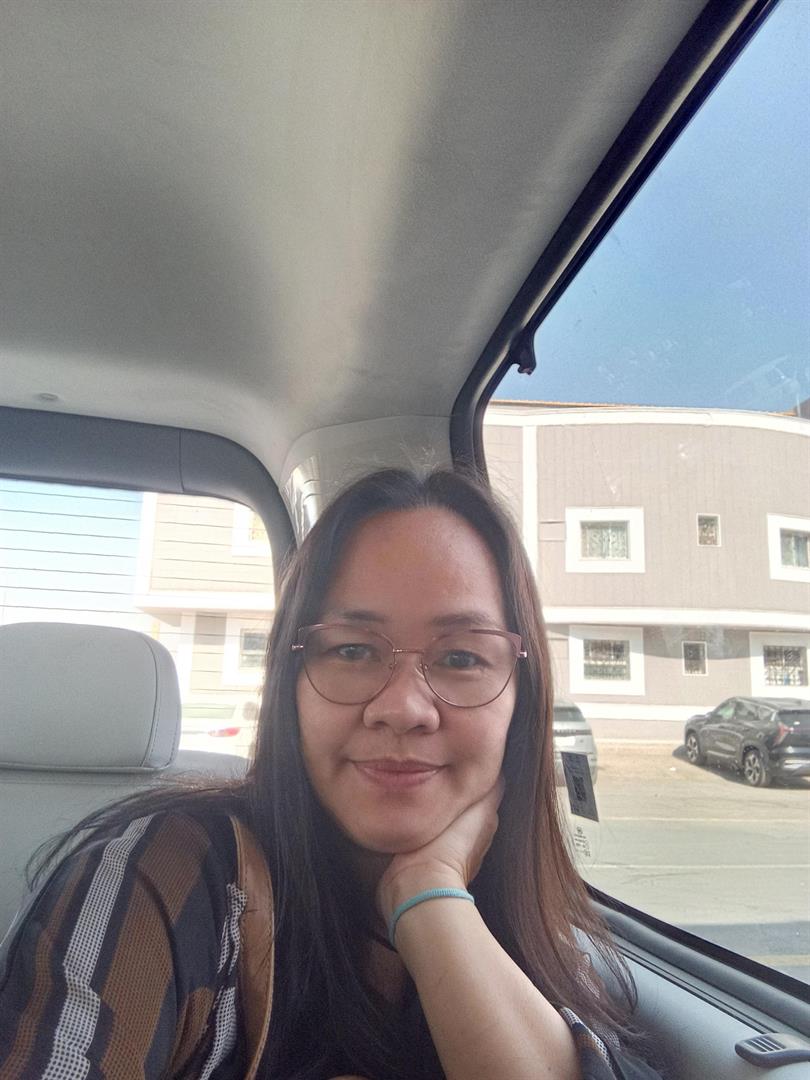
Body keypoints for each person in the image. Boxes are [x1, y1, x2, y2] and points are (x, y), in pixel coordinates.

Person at [0, 468, 663, 1079]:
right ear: (290, 682)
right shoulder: (163, 877)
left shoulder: (547, 935)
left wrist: (427, 894)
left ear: (522, 698)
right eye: (351, 650)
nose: (403, 708)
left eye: (462, 657)